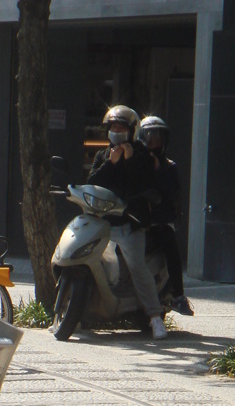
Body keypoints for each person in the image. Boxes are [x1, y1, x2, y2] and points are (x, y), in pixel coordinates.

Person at [87, 104, 168, 341]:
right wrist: (110, 163)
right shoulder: (103, 155)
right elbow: (92, 182)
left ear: (131, 130)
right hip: (104, 222)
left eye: (121, 127)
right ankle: (69, 312)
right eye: (112, 127)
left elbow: (144, 185)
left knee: (136, 266)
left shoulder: (141, 154)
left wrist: (130, 160)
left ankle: (155, 317)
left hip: (129, 223)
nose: (116, 131)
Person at [137, 115, 194, 317]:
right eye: (149, 137)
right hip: (136, 221)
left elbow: (169, 194)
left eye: (158, 138)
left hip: (159, 222)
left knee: (171, 248)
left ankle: (178, 296)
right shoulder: (135, 163)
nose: (154, 143)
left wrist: (158, 171)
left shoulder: (169, 166)